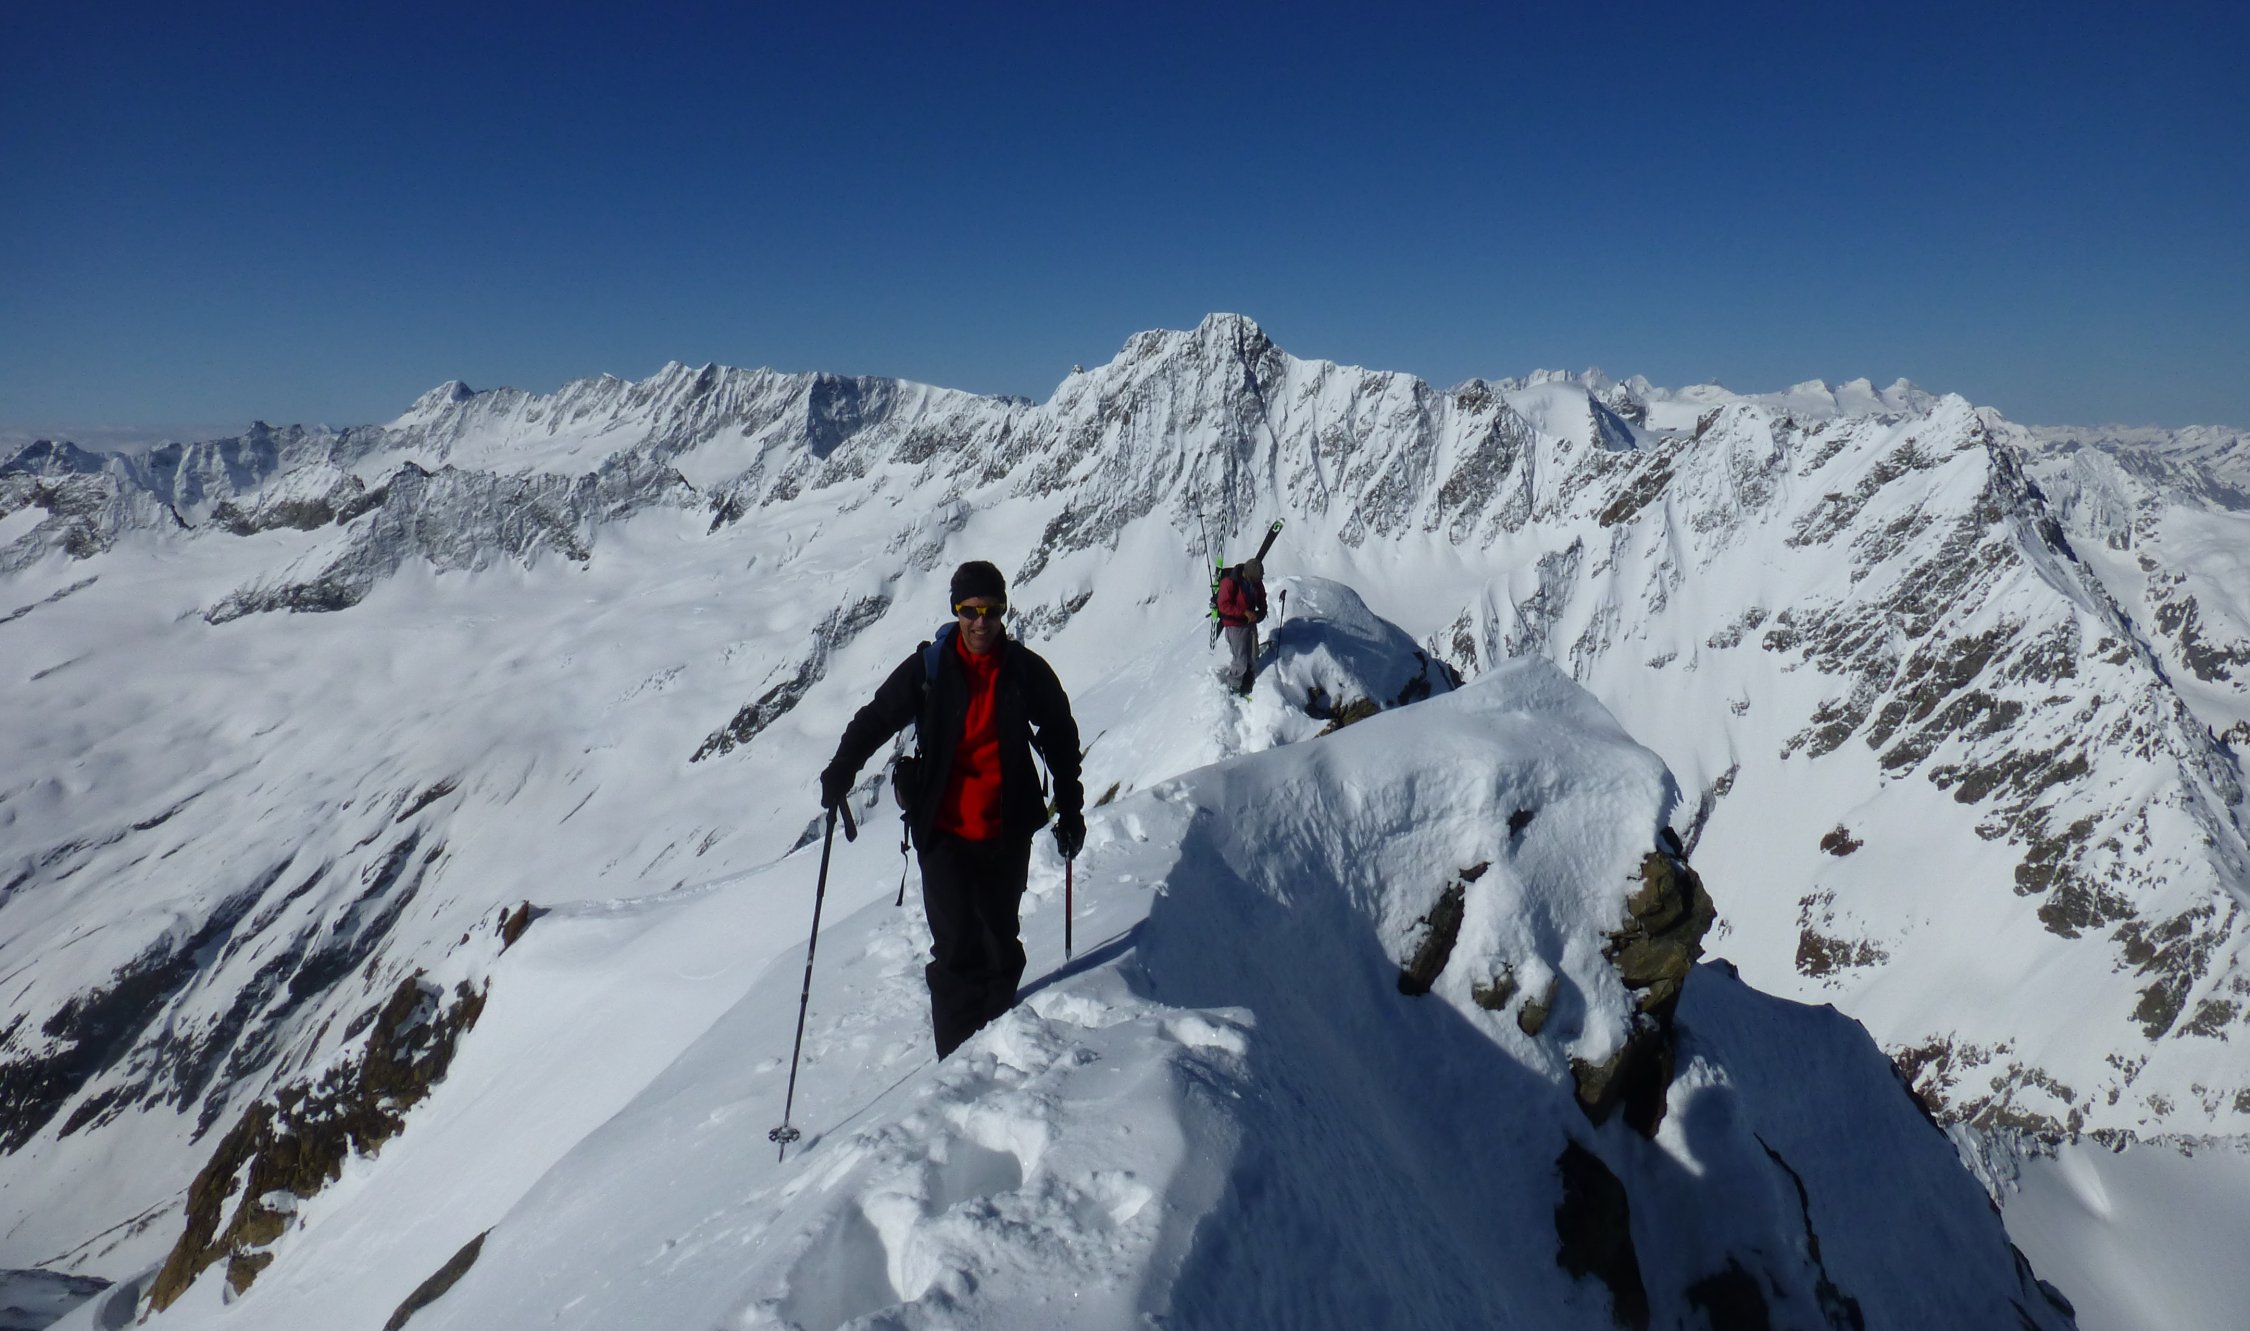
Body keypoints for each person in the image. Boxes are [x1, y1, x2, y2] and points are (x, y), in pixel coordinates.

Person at [819, 561, 1085, 1059]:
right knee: (957, 949)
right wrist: (842, 768)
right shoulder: (930, 669)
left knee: (1000, 943)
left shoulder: (1023, 670)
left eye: (991, 611)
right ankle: (959, 1067)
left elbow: (1059, 734)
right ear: (956, 610)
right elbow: (877, 717)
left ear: (1003, 611)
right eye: (970, 610)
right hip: (943, 831)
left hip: (1006, 831)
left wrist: (1070, 806)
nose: (981, 622)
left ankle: (1000, 1045)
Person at [1215, 556, 1268, 696]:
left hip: (1249, 623)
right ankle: (1235, 685)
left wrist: (1260, 613)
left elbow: (1262, 599)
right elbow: (1223, 605)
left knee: (1253, 654)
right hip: (1234, 625)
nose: (1258, 583)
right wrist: (1244, 612)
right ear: (1247, 575)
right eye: (1255, 580)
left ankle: (1249, 678)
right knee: (1240, 658)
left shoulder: (1256, 582)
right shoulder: (1229, 582)